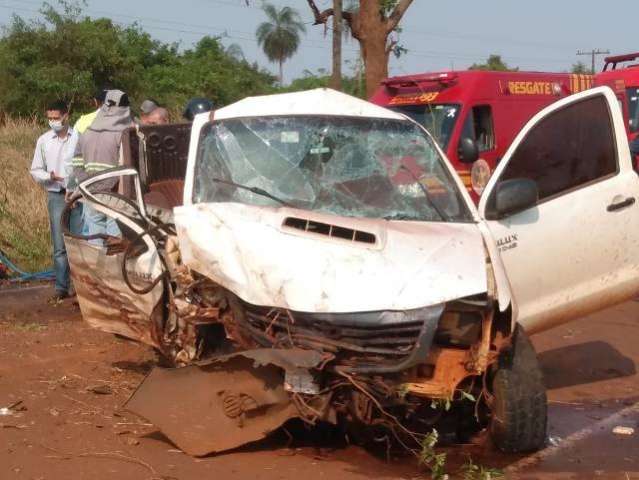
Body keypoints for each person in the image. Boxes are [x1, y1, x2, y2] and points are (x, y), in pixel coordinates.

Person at [30, 100, 83, 301]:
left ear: (65, 116)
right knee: (60, 244)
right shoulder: (44, 141)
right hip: (56, 195)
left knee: (79, 242)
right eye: (50, 118)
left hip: (78, 196)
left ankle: (81, 287)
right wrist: (49, 177)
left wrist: (76, 188)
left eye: (56, 117)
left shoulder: (78, 138)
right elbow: (35, 169)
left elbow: (83, 167)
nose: (53, 121)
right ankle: (61, 287)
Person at [71, 89, 133, 241]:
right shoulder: (124, 134)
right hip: (115, 195)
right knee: (115, 241)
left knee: (95, 238)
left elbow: (76, 161)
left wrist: (85, 183)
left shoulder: (88, 130)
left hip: (91, 192)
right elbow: (127, 166)